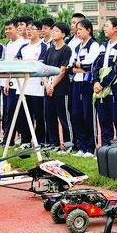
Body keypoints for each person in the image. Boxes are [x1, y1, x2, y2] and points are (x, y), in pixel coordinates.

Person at [92, 17, 117, 145]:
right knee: (103, 121)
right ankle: (105, 149)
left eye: (107, 26)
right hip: (101, 92)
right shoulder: (103, 46)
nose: (104, 28)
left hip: (115, 92)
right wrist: (96, 81)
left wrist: (102, 84)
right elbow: (95, 65)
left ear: (116, 29)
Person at [14, 20, 48, 148]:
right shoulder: (23, 47)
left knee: (39, 116)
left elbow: (39, 64)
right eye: (27, 29)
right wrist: (29, 61)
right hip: (23, 87)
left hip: (37, 87)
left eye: (32, 29)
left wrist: (26, 61)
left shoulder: (44, 47)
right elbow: (16, 62)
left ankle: (40, 141)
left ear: (39, 31)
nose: (28, 31)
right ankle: (26, 141)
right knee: (23, 115)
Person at [69, 19, 100, 156]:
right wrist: (80, 66)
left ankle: (90, 147)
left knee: (88, 116)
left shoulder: (94, 45)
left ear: (89, 30)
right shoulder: (76, 47)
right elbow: (70, 68)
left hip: (88, 84)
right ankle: (81, 146)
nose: (78, 31)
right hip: (76, 82)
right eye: (77, 29)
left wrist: (79, 65)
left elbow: (92, 66)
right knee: (76, 115)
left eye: (81, 29)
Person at [0, 19, 28, 148]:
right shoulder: (9, 44)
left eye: (10, 28)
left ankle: (11, 139)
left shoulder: (23, 43)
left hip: (17, 83)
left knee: (15, 112)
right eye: (5, 29)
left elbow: (15, 65)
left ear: (17, 29)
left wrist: (8, 81)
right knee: (7, 112)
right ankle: (7, 138)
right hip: (7, 82)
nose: (7, 31)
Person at [43, 22, 73, 151]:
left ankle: (68, 144)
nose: (53, 32)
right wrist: (47, 85)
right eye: (53, 30)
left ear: (63, 34)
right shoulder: (49, 50)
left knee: (64, 118)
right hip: (48, 88)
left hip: (61, 89)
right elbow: (43, 69)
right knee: (49, 117)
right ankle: (54, 143)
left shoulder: (66, 49)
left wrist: (52, 85)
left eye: (56, 31)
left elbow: (62, 70)